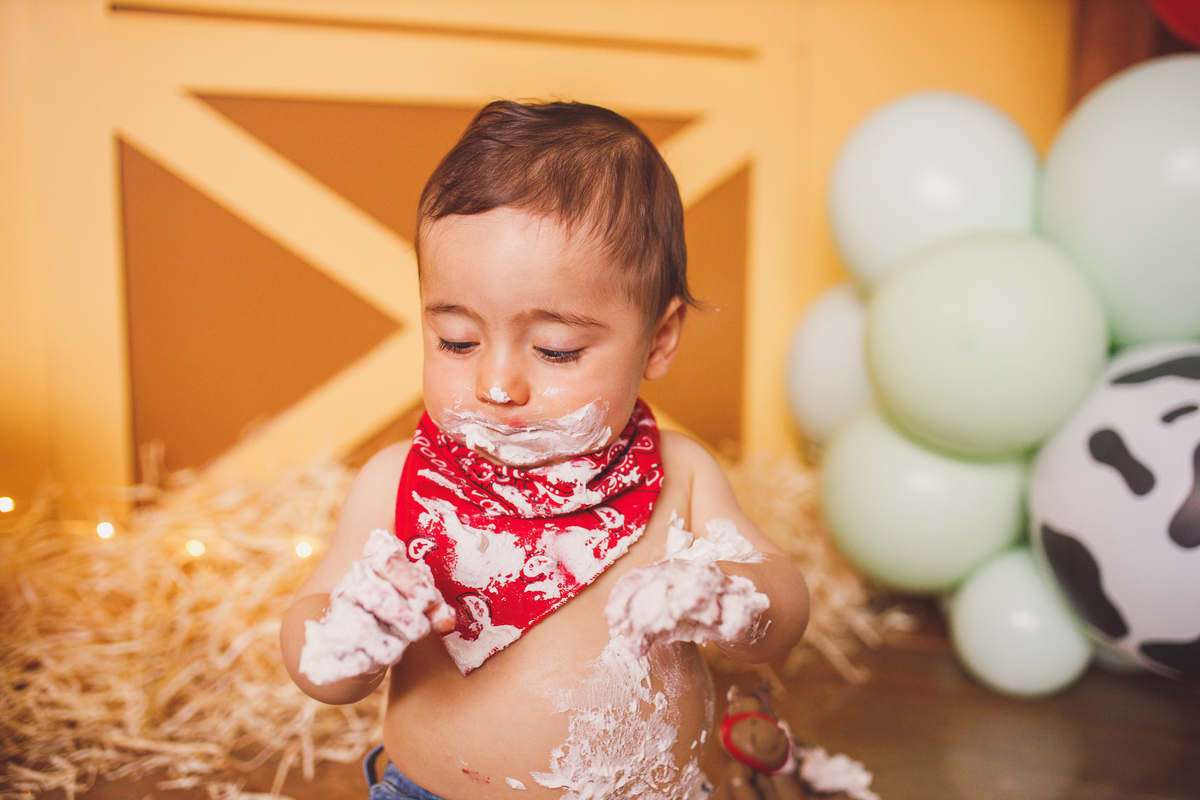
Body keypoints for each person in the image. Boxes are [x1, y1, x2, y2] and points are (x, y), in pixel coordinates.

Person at [280, 100, 809, 800]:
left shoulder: (680, 477)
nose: (497, 385)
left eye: (556, 350)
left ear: (658, 339)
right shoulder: (399, 483)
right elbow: (317, 652)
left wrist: (731, 601)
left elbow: (782, 609)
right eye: (457, 341)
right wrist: (345, 634)